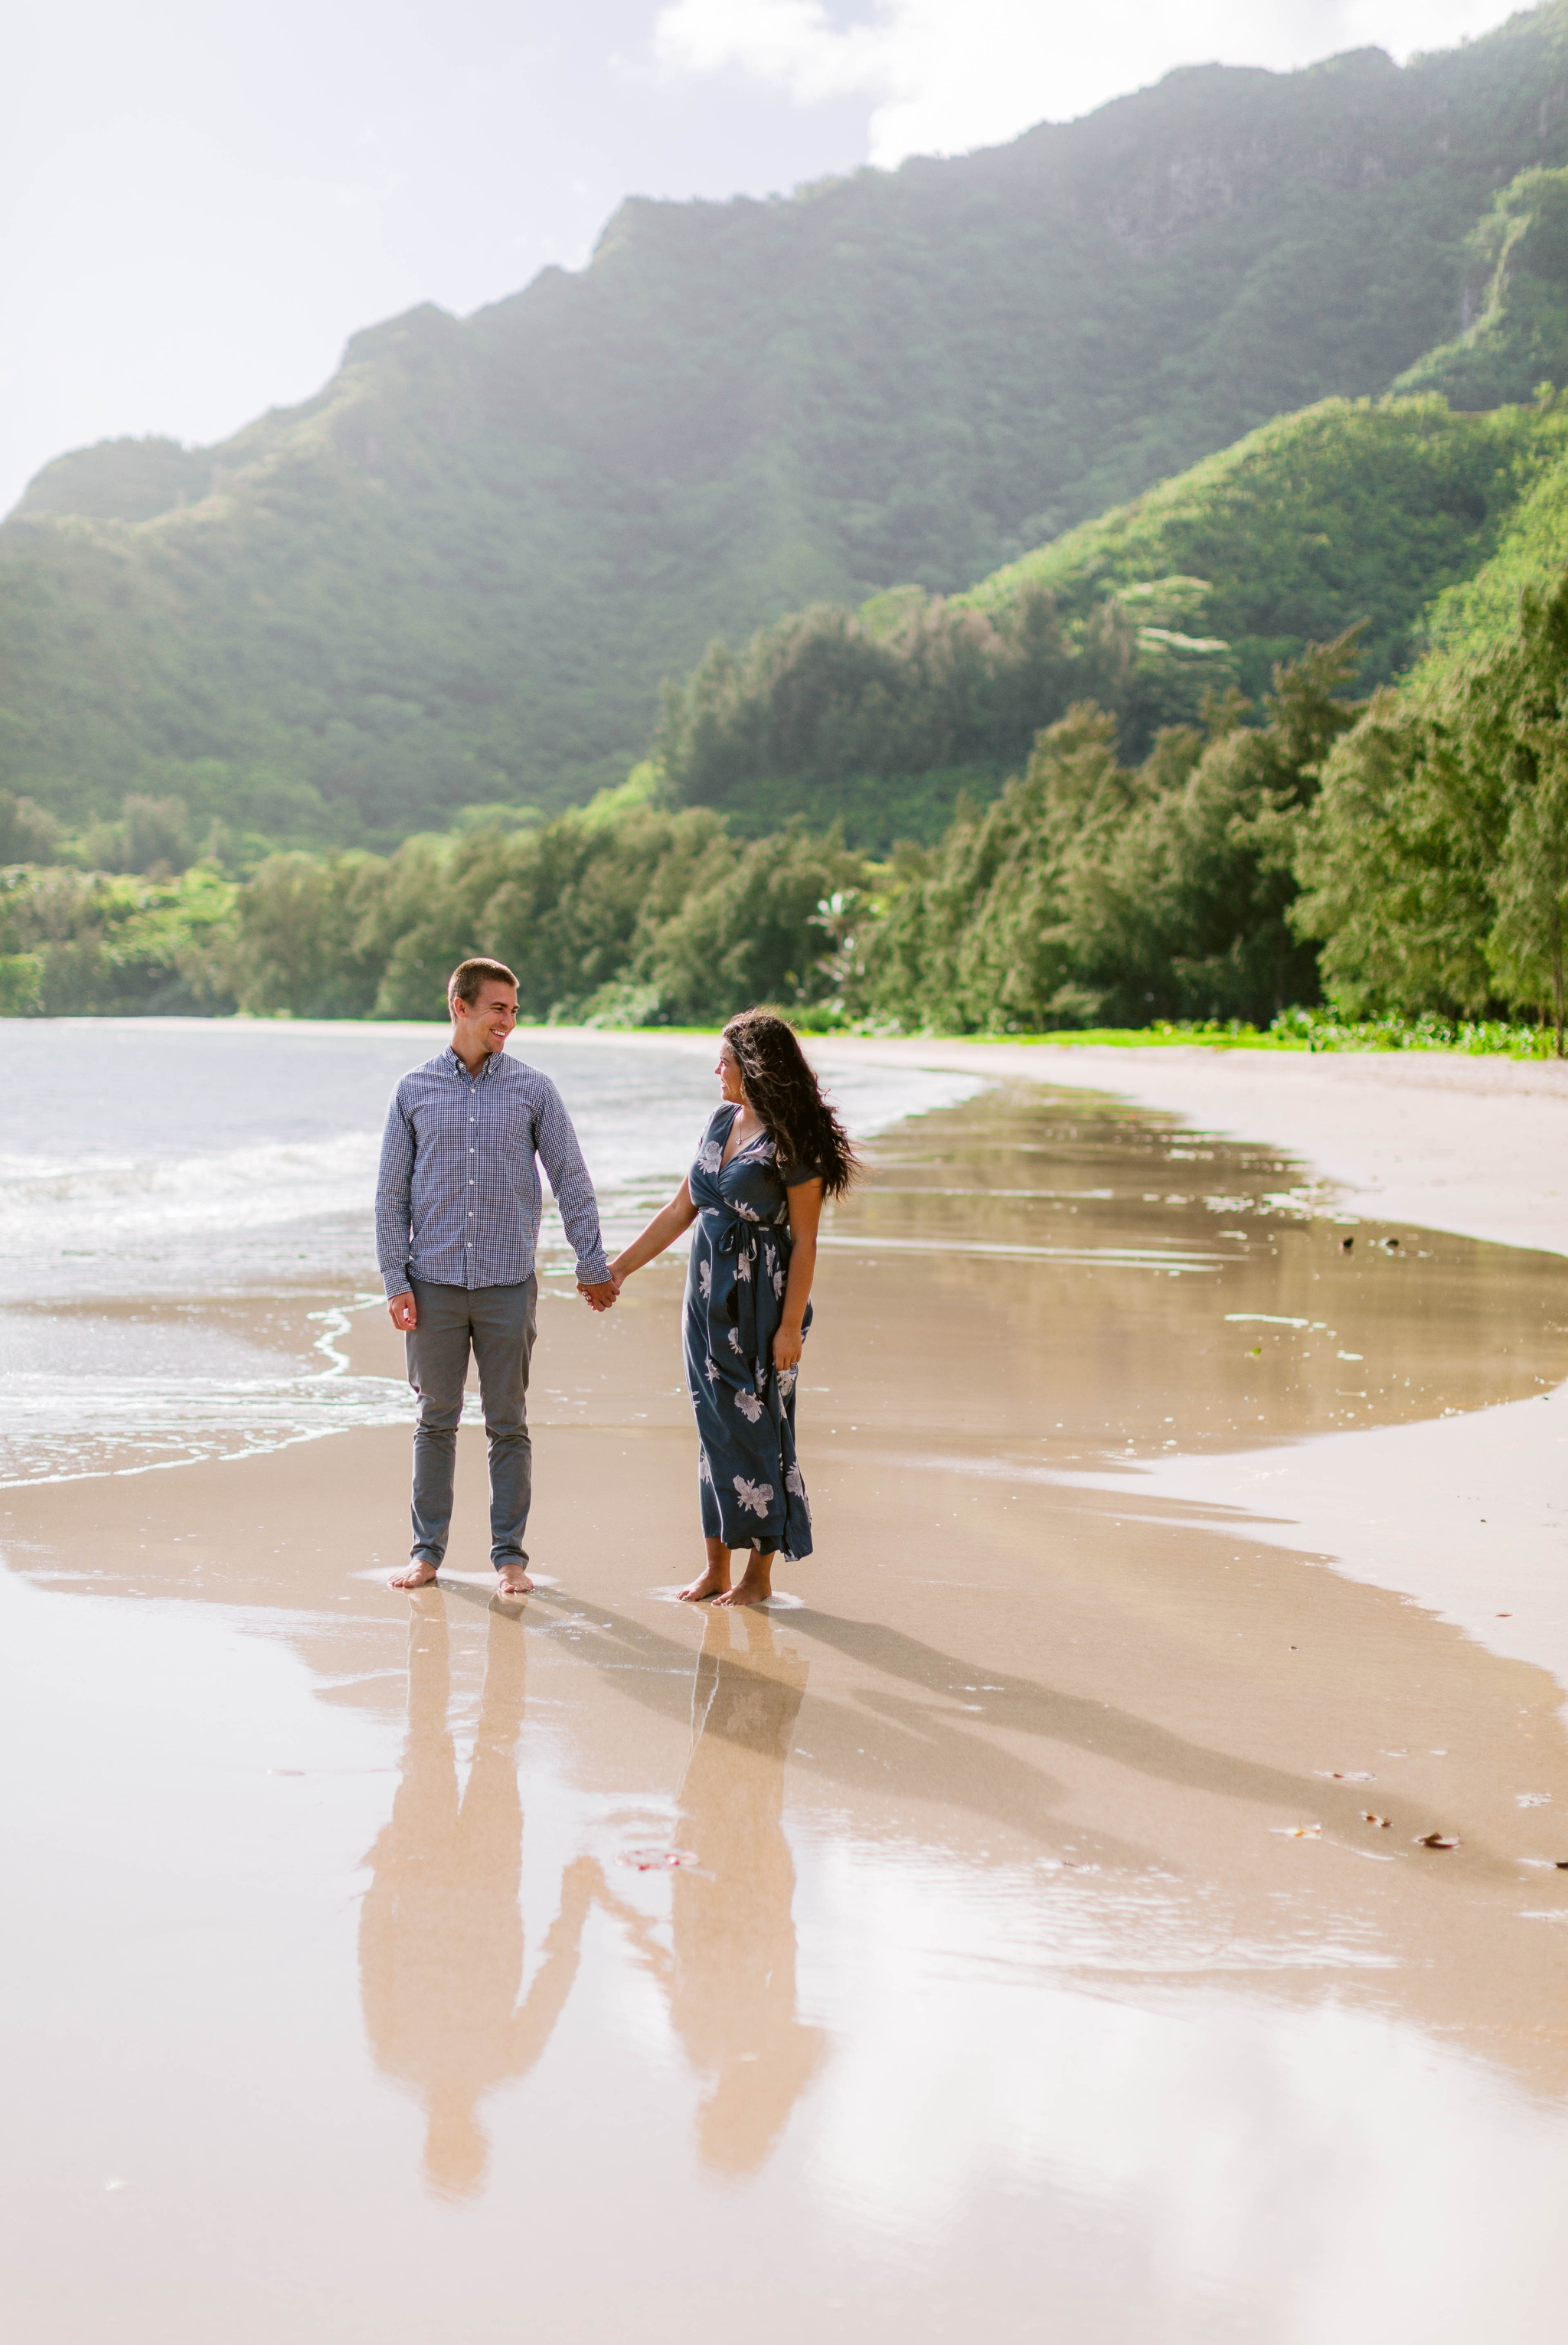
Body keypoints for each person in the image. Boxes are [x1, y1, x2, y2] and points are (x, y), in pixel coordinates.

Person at [374, 957, 617, 1595]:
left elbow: (572, 1179)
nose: (509, 1021)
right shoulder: (413, 1089)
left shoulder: (534, 1089)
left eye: (514, 1009)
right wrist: (395, 1281)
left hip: (509, 1283)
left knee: (509, 1421)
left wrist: (590, 1262)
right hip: (433, 1285)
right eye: (498, 1009)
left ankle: (510, 1557)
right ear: (461, 1006)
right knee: (436, 1420)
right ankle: (427, 1554)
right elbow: (389, 1197)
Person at [608, 1007, 858, 1606]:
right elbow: (678, 1211)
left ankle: (758, 1577)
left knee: (760, 1426)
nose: (715, 1068)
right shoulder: (720, 1122)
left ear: (752, 1066)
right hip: (703, 1300)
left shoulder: (794, 1142)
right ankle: (716, 1568)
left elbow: (805, 1243)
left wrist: (790, 1325)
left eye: (724, 1058)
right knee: (714, 1426)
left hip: (762, 1304)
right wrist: (616, 1269)